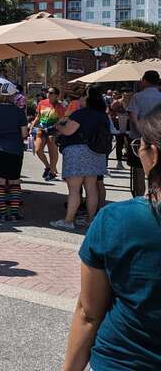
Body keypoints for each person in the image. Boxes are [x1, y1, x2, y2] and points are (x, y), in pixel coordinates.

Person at [61, 104, 161, 371]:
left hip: (122, 359)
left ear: (153, 153)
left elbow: (88, 312)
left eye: (140, 143)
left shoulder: (117, 220)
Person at [51, 85, 111, 230]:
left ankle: (68, 221)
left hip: (77, 152)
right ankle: (91, 220)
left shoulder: (80, 114)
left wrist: (59, 126)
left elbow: (68, 131)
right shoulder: (103, 115)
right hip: (96, 153)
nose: (80, 99)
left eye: (83, 96)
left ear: (88, 98)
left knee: (74, 189)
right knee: (91, 188)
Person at [0, 85, 29, 222]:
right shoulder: (19, 112)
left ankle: (3, 213)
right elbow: (24, 133)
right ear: (12, 96)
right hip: (15, 149)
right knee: (15, 181)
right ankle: (14, 213)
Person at [127, 70, 161, 197]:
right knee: (158, 171)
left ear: (145, 81)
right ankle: (155, 198)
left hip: (139, 140)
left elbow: (133, 118)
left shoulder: (137, 97)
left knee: (139, 172)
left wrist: (144, 133)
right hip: (158, 139)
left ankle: (140, 198)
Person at [29, 87, 66, 181]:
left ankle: (52, 172)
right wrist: (32, 126)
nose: (48, 94)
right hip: (41, 129)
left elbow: (62, 120)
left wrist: (56, 128)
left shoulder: (60, 106)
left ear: (57, 95)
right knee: (38, 150)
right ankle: (48, 167)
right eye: (47, 92)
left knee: (52, 151)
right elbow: (38, 116)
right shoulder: (42, 103)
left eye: (51, 93)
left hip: (53, 130)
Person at [109, 89, 130, 170]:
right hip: (119, 124)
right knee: (119, 144)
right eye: (125, 95)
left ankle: (129, 161)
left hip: (129, 125)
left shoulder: (132, 103)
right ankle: (119, 162)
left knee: (129, 144)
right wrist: (117, 115)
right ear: (122, 94)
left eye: (129, 95)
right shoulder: (117, 103)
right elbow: (111, 113)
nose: (127, 97)